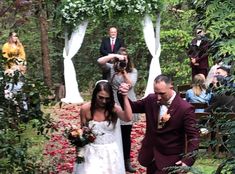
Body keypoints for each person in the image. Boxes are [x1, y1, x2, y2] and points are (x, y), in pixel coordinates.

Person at [119, 74, 200, 174]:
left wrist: (187, 161)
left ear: (171, 87)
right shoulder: (150, 99)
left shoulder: (185, 108)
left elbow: (194, 137)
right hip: (151, 157)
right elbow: (132, 107)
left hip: (171, 160)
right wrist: (122, 94)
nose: (158, 97)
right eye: (156, 92)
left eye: (162, 93)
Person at [73, 80, 132, 174]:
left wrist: (125, 97)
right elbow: (82, 133)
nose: (104, 101)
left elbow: (128, 118)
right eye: (100, 97)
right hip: (91, 152)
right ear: (95, 94)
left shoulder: (114, 108)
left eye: (107, 98)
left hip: (110, 152)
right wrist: (79, 151)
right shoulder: (85, 109)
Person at [97, 47, 138, 173]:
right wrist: (114, 56)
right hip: (112, 103)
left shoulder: (133, 71)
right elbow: (100, 61)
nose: (123, 61)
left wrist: (124, 71)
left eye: (125, 58)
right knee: (112, 133)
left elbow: (131, 84)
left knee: (126, 135)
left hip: (127, 103)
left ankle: (126, 162)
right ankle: (113, 160)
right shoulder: (111, 68)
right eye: (121, 59)